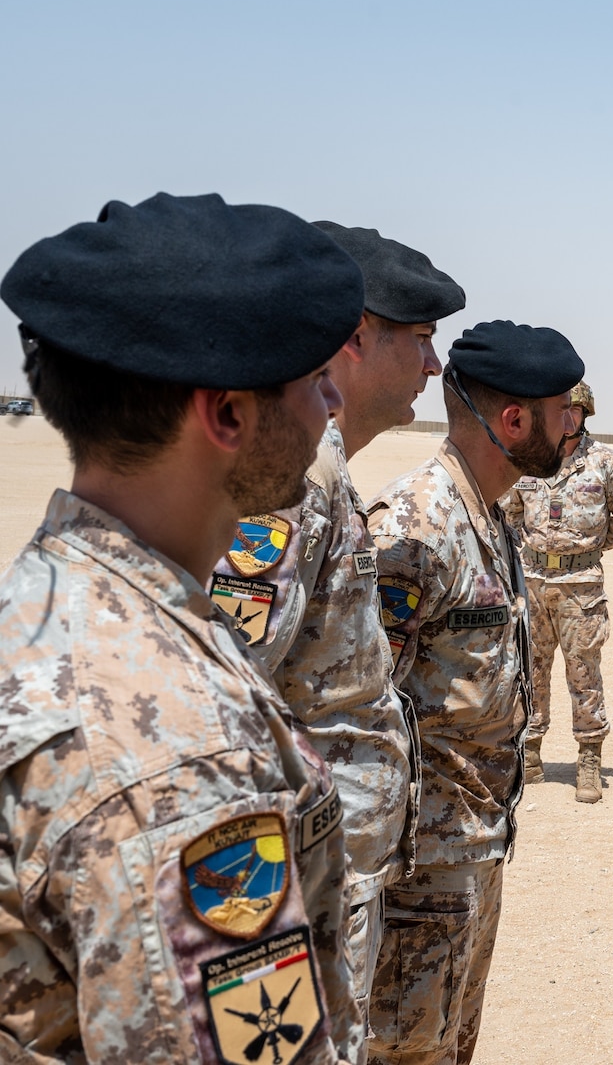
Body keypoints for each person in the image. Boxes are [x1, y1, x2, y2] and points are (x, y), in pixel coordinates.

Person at [0, 192, 365, 1061]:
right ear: (228, 415)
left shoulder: (46, 604)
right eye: (314, 380)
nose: (330, 406)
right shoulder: (182, 755)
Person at [208, 221, 465, 1059]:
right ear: (355, 337)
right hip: (291, 887)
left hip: (332, 873)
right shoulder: (294, 482)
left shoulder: (325, 475)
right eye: (421, 338)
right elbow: (224, 702)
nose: (434, 365)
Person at [366, 320, 583, 1064]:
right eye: (566, 412)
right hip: (417, 870)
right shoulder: (416, 530)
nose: (577, 426)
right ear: (514, 420)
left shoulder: (490, 514)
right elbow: (359, 710)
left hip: (472, 852)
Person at [501, 380, 613, 802]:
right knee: (530, 669)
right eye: (561, 411)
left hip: (580, 588)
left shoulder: (605, 463)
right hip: (533, 583)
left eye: (575, 411)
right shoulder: (527, 461)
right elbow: (508, 514)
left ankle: (589, 757)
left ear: (585, 415)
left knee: (583, 672)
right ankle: (530, 752)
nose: (567, 419)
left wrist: (587, 549)